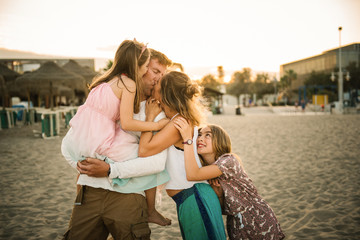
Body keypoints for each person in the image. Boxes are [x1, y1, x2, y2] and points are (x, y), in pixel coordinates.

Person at [62, 46, 173, 240]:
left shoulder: (158, 111)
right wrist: (81, 166)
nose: (158, 78)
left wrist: (110, 170)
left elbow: (156, 163)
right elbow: (69, 143)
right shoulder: (111, 95)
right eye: (155, 71)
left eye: (162, 75)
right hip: (90, 193)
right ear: (139, 66)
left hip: (129, 198)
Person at [138, 71, 227, 240]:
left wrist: (149, 117)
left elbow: (144, 150)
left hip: (194, 198)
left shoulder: (178, 123)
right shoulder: (181, 119)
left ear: (166, 93)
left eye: (158, 83)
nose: (154, 83)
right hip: (192, 197)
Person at [173, 120, 286, 240]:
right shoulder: (207, 171)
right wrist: (220, 195)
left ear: (220, 141)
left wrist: (187, 140)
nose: (200, 138)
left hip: (257, 220)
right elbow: (225, 210)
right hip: (236, 224)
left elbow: (192, 174)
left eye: (208, 135)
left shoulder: (228, 160)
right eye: (199, 135)